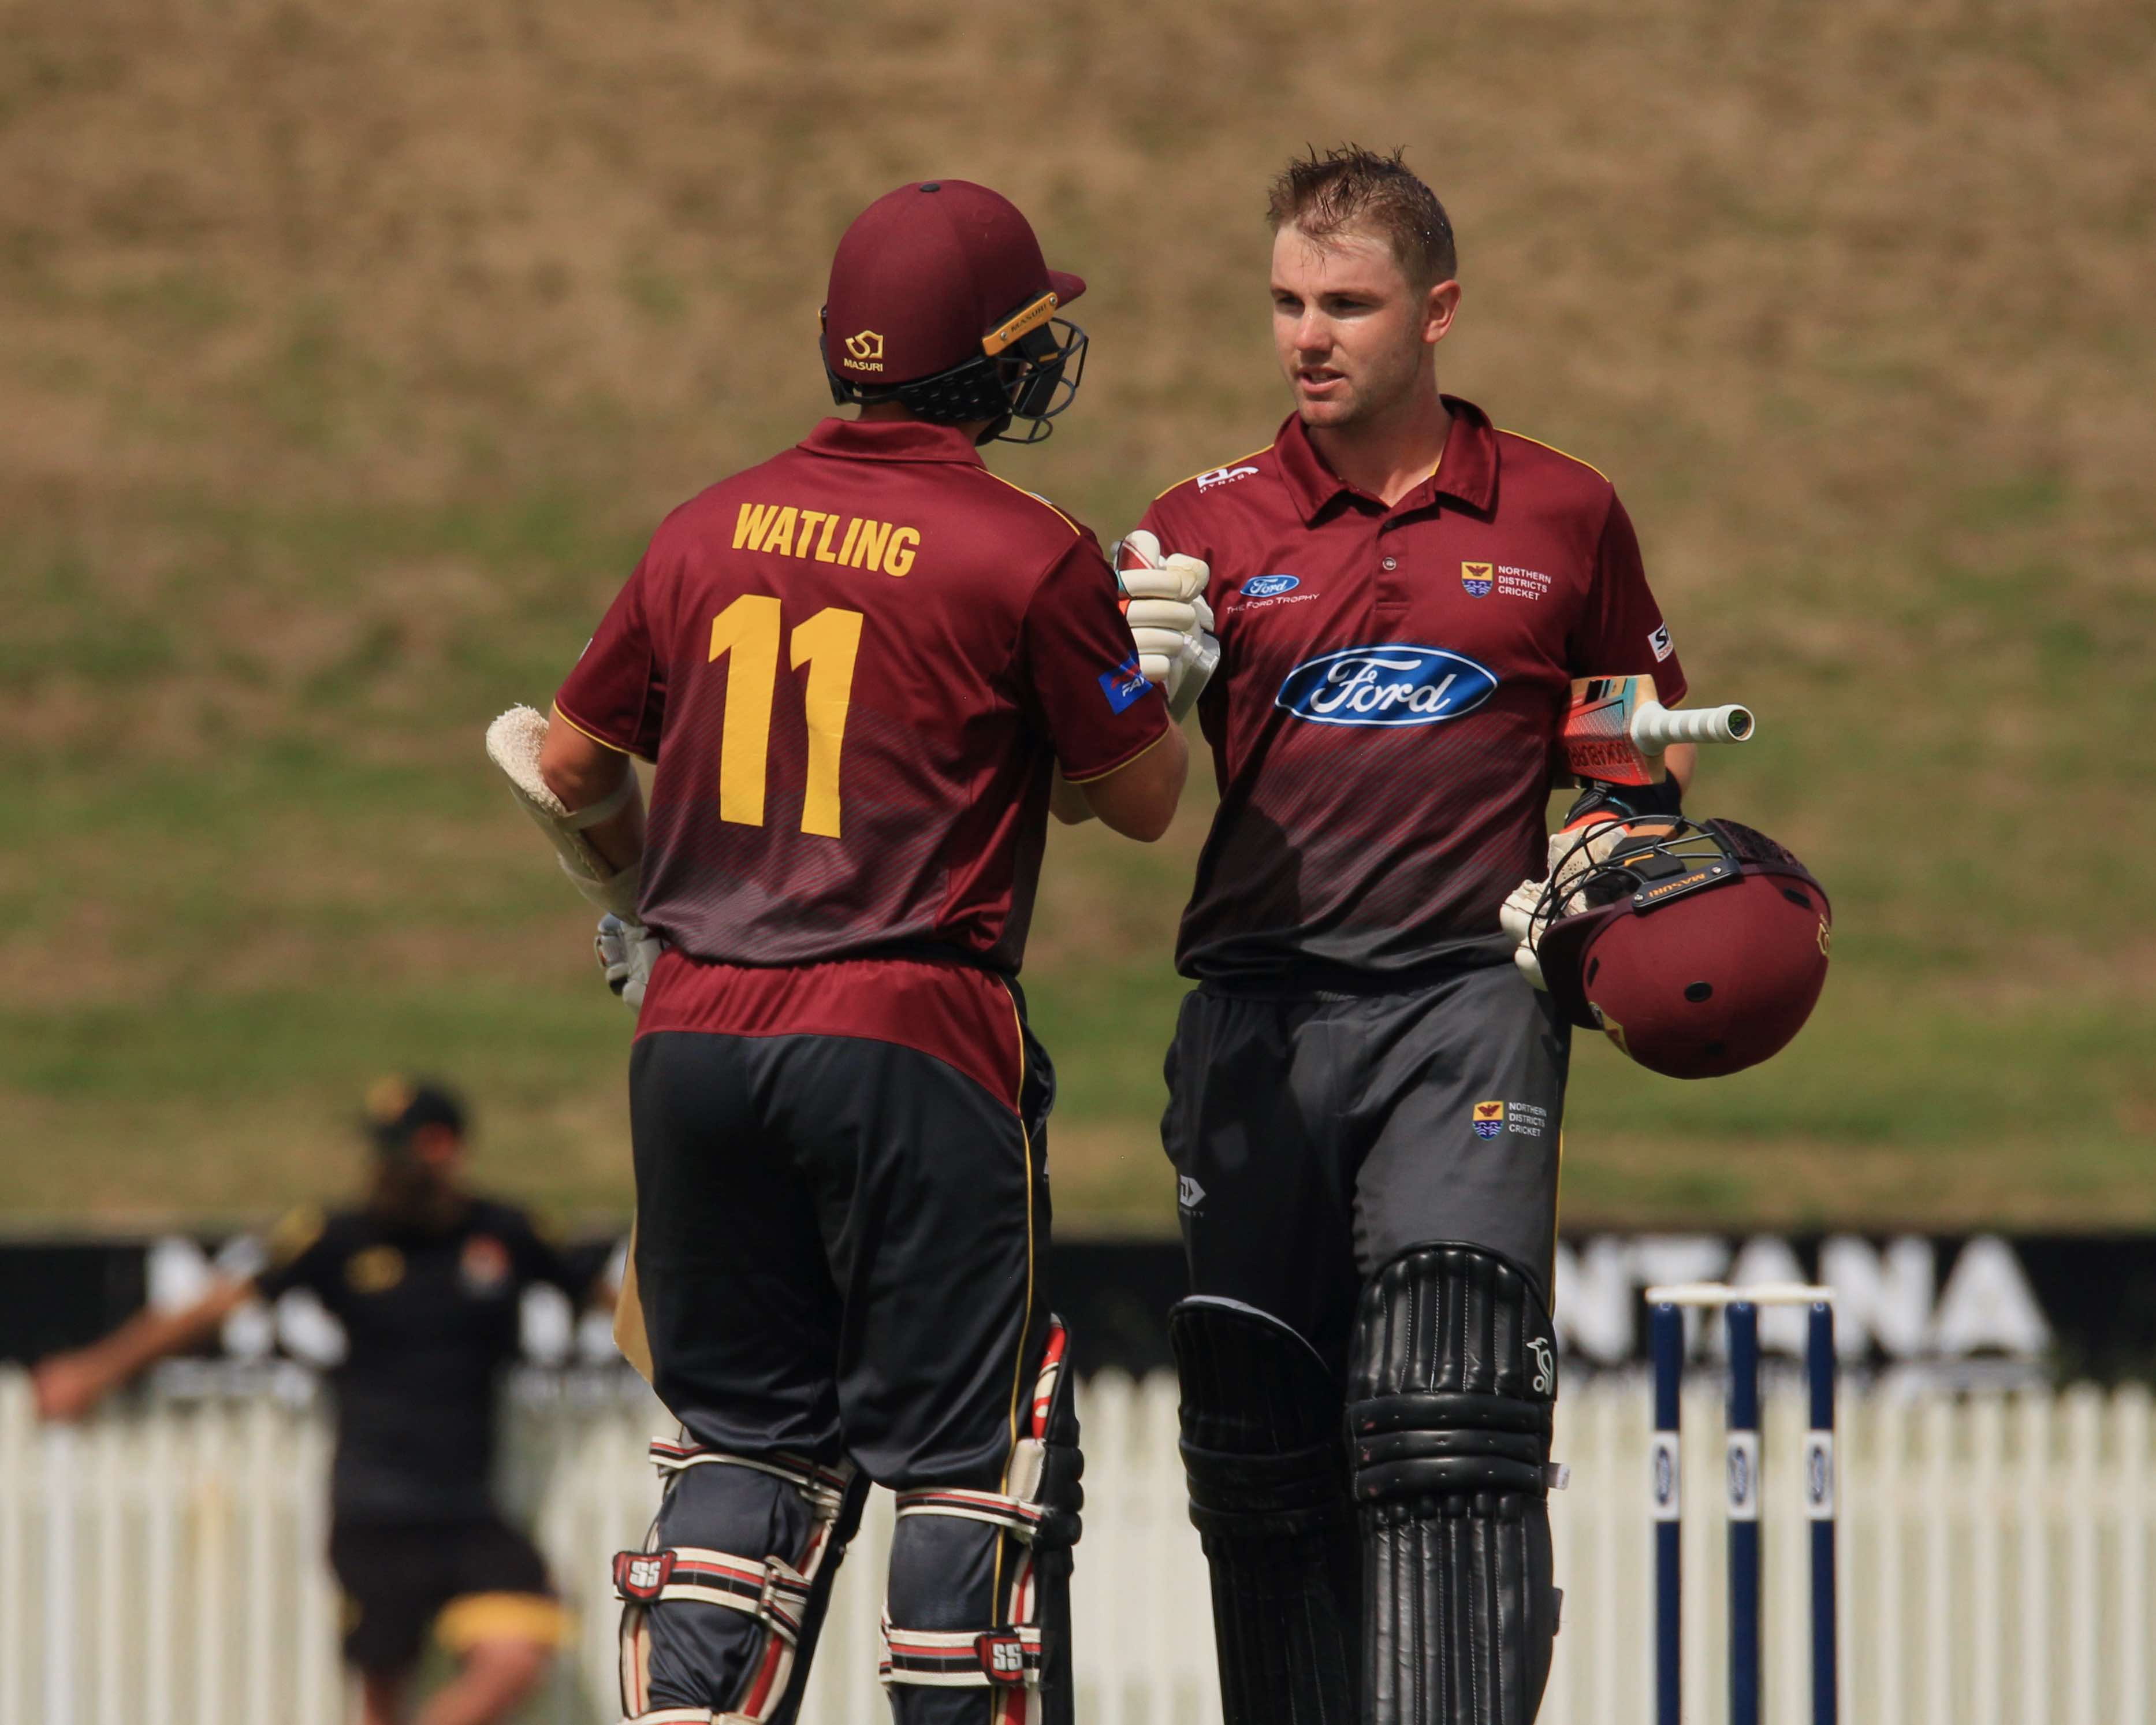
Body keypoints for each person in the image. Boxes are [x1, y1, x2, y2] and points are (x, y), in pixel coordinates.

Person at [492, 179, 1186, 1725]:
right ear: (988, 358)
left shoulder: (703, 525)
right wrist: (1166, 684)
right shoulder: (1027, 549)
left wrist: (641, 893)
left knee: (741, 1447)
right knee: (961, 1465)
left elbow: (571, 763)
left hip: (692, 1030)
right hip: (907, 1034)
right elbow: (1140, 802)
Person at [1116, 146, 1701, 1725]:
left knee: (1451, 1409)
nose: (1307, 338)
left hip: (1465, 1005)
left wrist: (1606, 848)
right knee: (1259, 1436)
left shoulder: (1564, 511)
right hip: (1255, 1014)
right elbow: (1112, 792)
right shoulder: (1194, 527)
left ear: (1436, 312)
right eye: (1285, 303)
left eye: (1347, 305)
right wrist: (1132, 692)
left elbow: (1630, 760)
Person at [32, 1079, 608, 1725]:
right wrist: (96, 1370)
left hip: (470, 1509)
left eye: (396, 1149)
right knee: (382, 1696)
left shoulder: (508, 1232)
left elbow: (618, 1302)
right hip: (372, 1507)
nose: (382, 1166)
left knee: (516, 1657)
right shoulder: (337, 1235)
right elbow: (215, 1305)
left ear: (443, 1148)